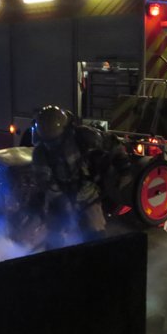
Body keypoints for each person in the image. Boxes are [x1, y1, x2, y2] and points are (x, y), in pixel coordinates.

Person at [31, 105, 129, 248]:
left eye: (57, 140)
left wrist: (123, 167)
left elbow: (113, 143)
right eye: (49, 142)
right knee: (54, 239)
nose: (53, 146)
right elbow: (45, 182)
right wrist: (63, 204)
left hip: (86, 194)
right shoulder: (40, 152)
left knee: (95, 235)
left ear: (65, 131)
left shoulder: (83, 136)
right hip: (59, 200)